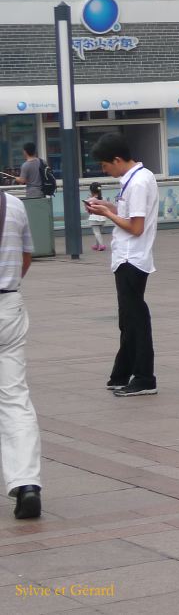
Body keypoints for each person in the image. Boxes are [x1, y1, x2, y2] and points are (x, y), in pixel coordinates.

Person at [86, 133, 160, 397]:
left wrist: (106, 213)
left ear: (117, 159)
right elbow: (128, 212)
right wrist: (105, 206)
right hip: (128, 258)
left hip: (132, 257)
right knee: (129, 319)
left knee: (135, 319)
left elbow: (136, 227)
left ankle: (144, 378)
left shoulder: (138, 182)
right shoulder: (137, 178)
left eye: (105, 166)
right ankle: (122, 374)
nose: (104, 171)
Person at [0, 186, 43, 518]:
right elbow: (26, 256)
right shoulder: (13, 205)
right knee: (15, 397)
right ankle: (27, 483)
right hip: (8, 305)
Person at [87, 181, 108, 251]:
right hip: (102, 218)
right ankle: (97, 245)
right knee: (99, 232)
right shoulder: (103, 198)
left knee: (96, 232)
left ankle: (101, 245)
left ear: (91, 190)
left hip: (94, 218)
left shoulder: (90, 199)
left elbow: (88, 210)